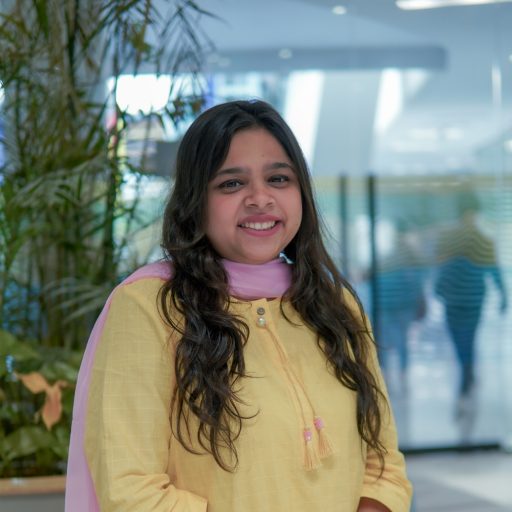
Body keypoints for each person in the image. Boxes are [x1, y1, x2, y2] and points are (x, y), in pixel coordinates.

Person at [65, 100, 412, 512]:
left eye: (279, 179)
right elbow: (130, 487)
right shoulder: (150, 307)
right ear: (195, 200)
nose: (260, 198)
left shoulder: (335, 305)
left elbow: (383, 466)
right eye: (231, 184)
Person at [435, 192, 508, 406]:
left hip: (457, 299)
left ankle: (466, 378)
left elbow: (440, 269)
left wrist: (439, 290)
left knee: (463, 339)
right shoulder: (481, 239)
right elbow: (494, 271)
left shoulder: (451, 238)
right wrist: (503, 296)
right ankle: (468, 374)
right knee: (466, 339)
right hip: (469, 299)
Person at [376, 221, 426, 394]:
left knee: (386, 341)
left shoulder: (389, 257)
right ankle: (400, 376)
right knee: (401, 341)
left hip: (389, 304)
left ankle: (387, 375)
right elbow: (418, 283)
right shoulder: (411, 257)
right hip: (402, 305)